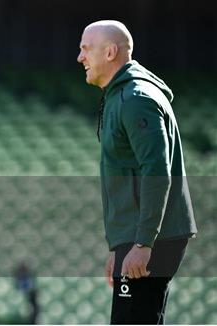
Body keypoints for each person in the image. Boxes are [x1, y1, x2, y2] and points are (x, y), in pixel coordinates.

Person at [77, 20, 197, 324]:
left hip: (148, 240)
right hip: (135, 239)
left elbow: (156, 173)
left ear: (110, 52)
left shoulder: (136, 100)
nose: (80, 57)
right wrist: (119, 247)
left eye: (85, 49)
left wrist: (143, 244)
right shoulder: (121, 96)